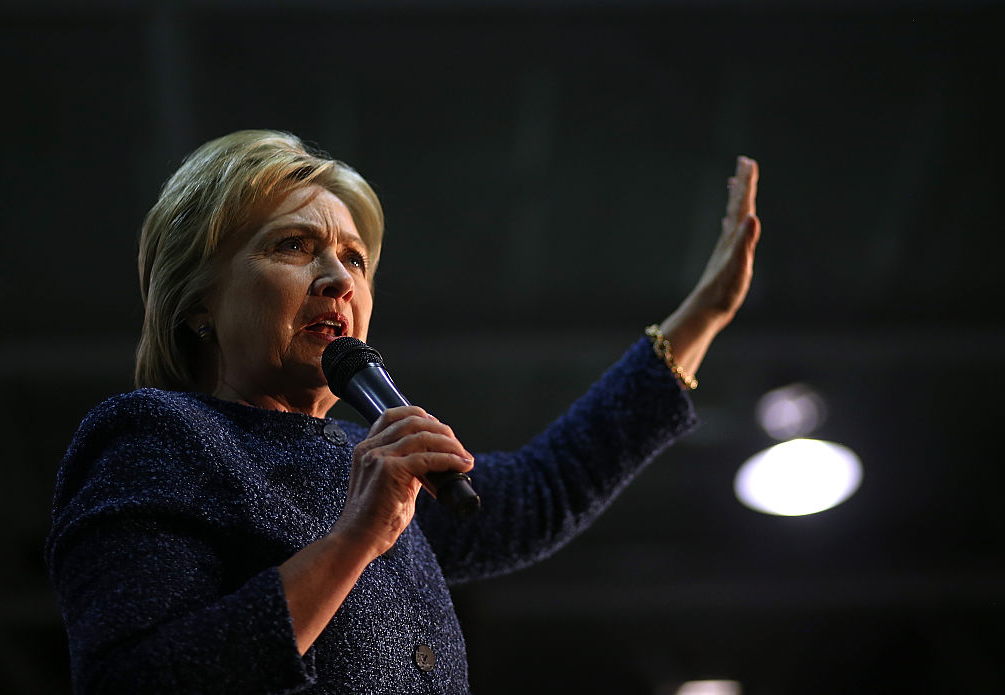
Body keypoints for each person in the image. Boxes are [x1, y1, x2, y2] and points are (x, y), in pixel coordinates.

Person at [45, 130, 760, 694]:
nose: (337, 277)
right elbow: (132, 680)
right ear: (197, 301)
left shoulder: (379, 466)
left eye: (354, 260)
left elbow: (548, 486)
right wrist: (356, 538)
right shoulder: (154, 436)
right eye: (294, 245)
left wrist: (703, 315)